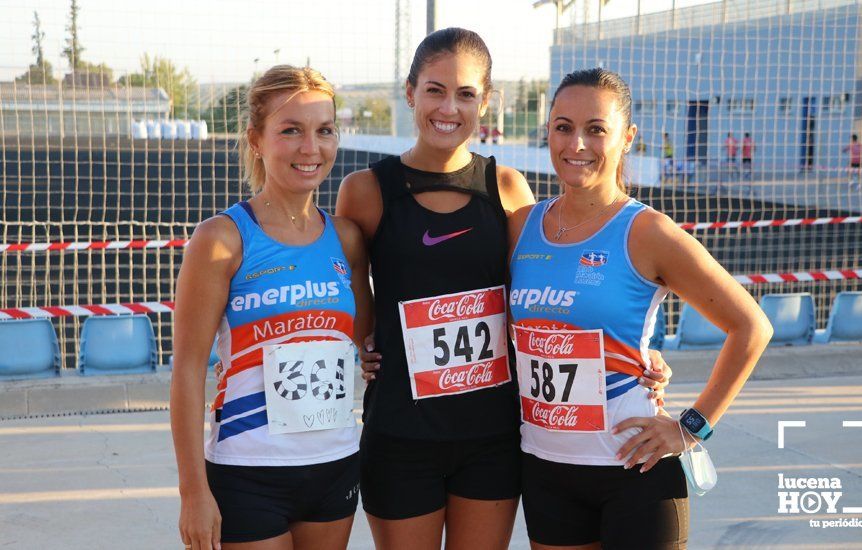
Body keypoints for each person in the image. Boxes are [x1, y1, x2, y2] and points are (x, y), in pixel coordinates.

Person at [336, 29, 672, 550]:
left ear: (485, 101)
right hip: (401, 434)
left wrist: (635, 357)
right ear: (409, 93)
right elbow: (355, 306)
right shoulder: (365, 192)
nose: (449, 107)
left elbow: (547, 298)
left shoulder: (509, 189)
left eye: (466, 93)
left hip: (492, 437)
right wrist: (366, 347)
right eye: (434, 90)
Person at [508, 68, 772, 549]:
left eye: (596, 129)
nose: (577, 144)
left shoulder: (648, 232)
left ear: (627, 137)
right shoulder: (522, 226)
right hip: (544, 469)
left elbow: (750, 327)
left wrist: (692, 428)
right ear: (547, 130)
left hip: (633, 469)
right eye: (563, 126)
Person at [171, 65, 372, 550]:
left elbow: (362, 340)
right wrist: (193, 491)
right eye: (291, 131)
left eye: (324, 131)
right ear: (256, 141)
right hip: (250, 470)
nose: (311, 148)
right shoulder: (221, 239)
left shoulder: (346, 238)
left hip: (336, 463)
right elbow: (188, 367)